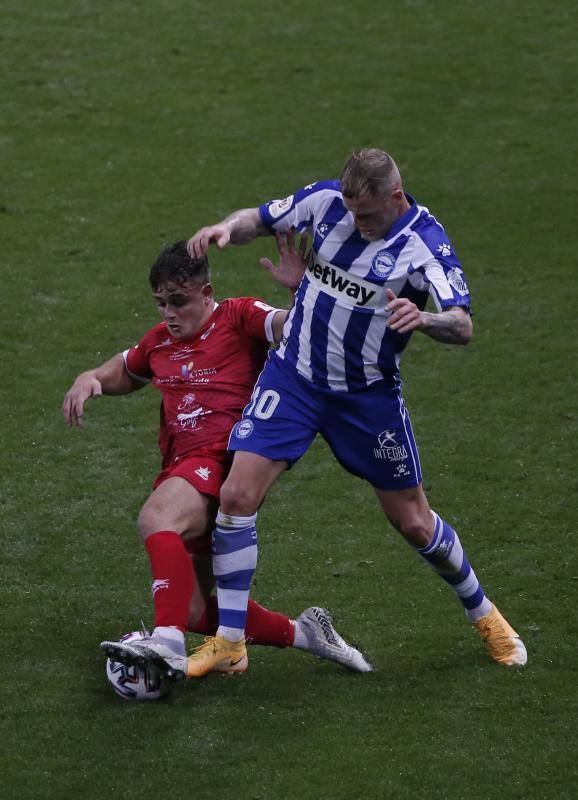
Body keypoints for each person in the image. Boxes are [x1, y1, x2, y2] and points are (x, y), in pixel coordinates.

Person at [178, 148, 528, 677]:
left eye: (367, 215)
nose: (356, 223)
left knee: (412, 521)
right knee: (236, 494)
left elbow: (463, 324)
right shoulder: (327, 202)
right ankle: (229, 640)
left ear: (396, 195)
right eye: (350, 212)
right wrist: (225, 228)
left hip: (365, 397)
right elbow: (259, 219)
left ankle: (485, 614)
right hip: (293, 378)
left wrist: (425, 320)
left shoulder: (424, 244)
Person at [63, 240, 372, 681]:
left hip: (223, 462)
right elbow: (126, 367)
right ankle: (308, 634)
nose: (170, 314)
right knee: (191, 608)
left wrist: (302, 290)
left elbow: (296, 328)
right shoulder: (160, 343)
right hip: (181, 469)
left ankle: (166, 644)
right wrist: (88, 378)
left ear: (206, 293)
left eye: (179, 302)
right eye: (161, 304)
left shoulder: (238, 316)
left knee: (157, 519)